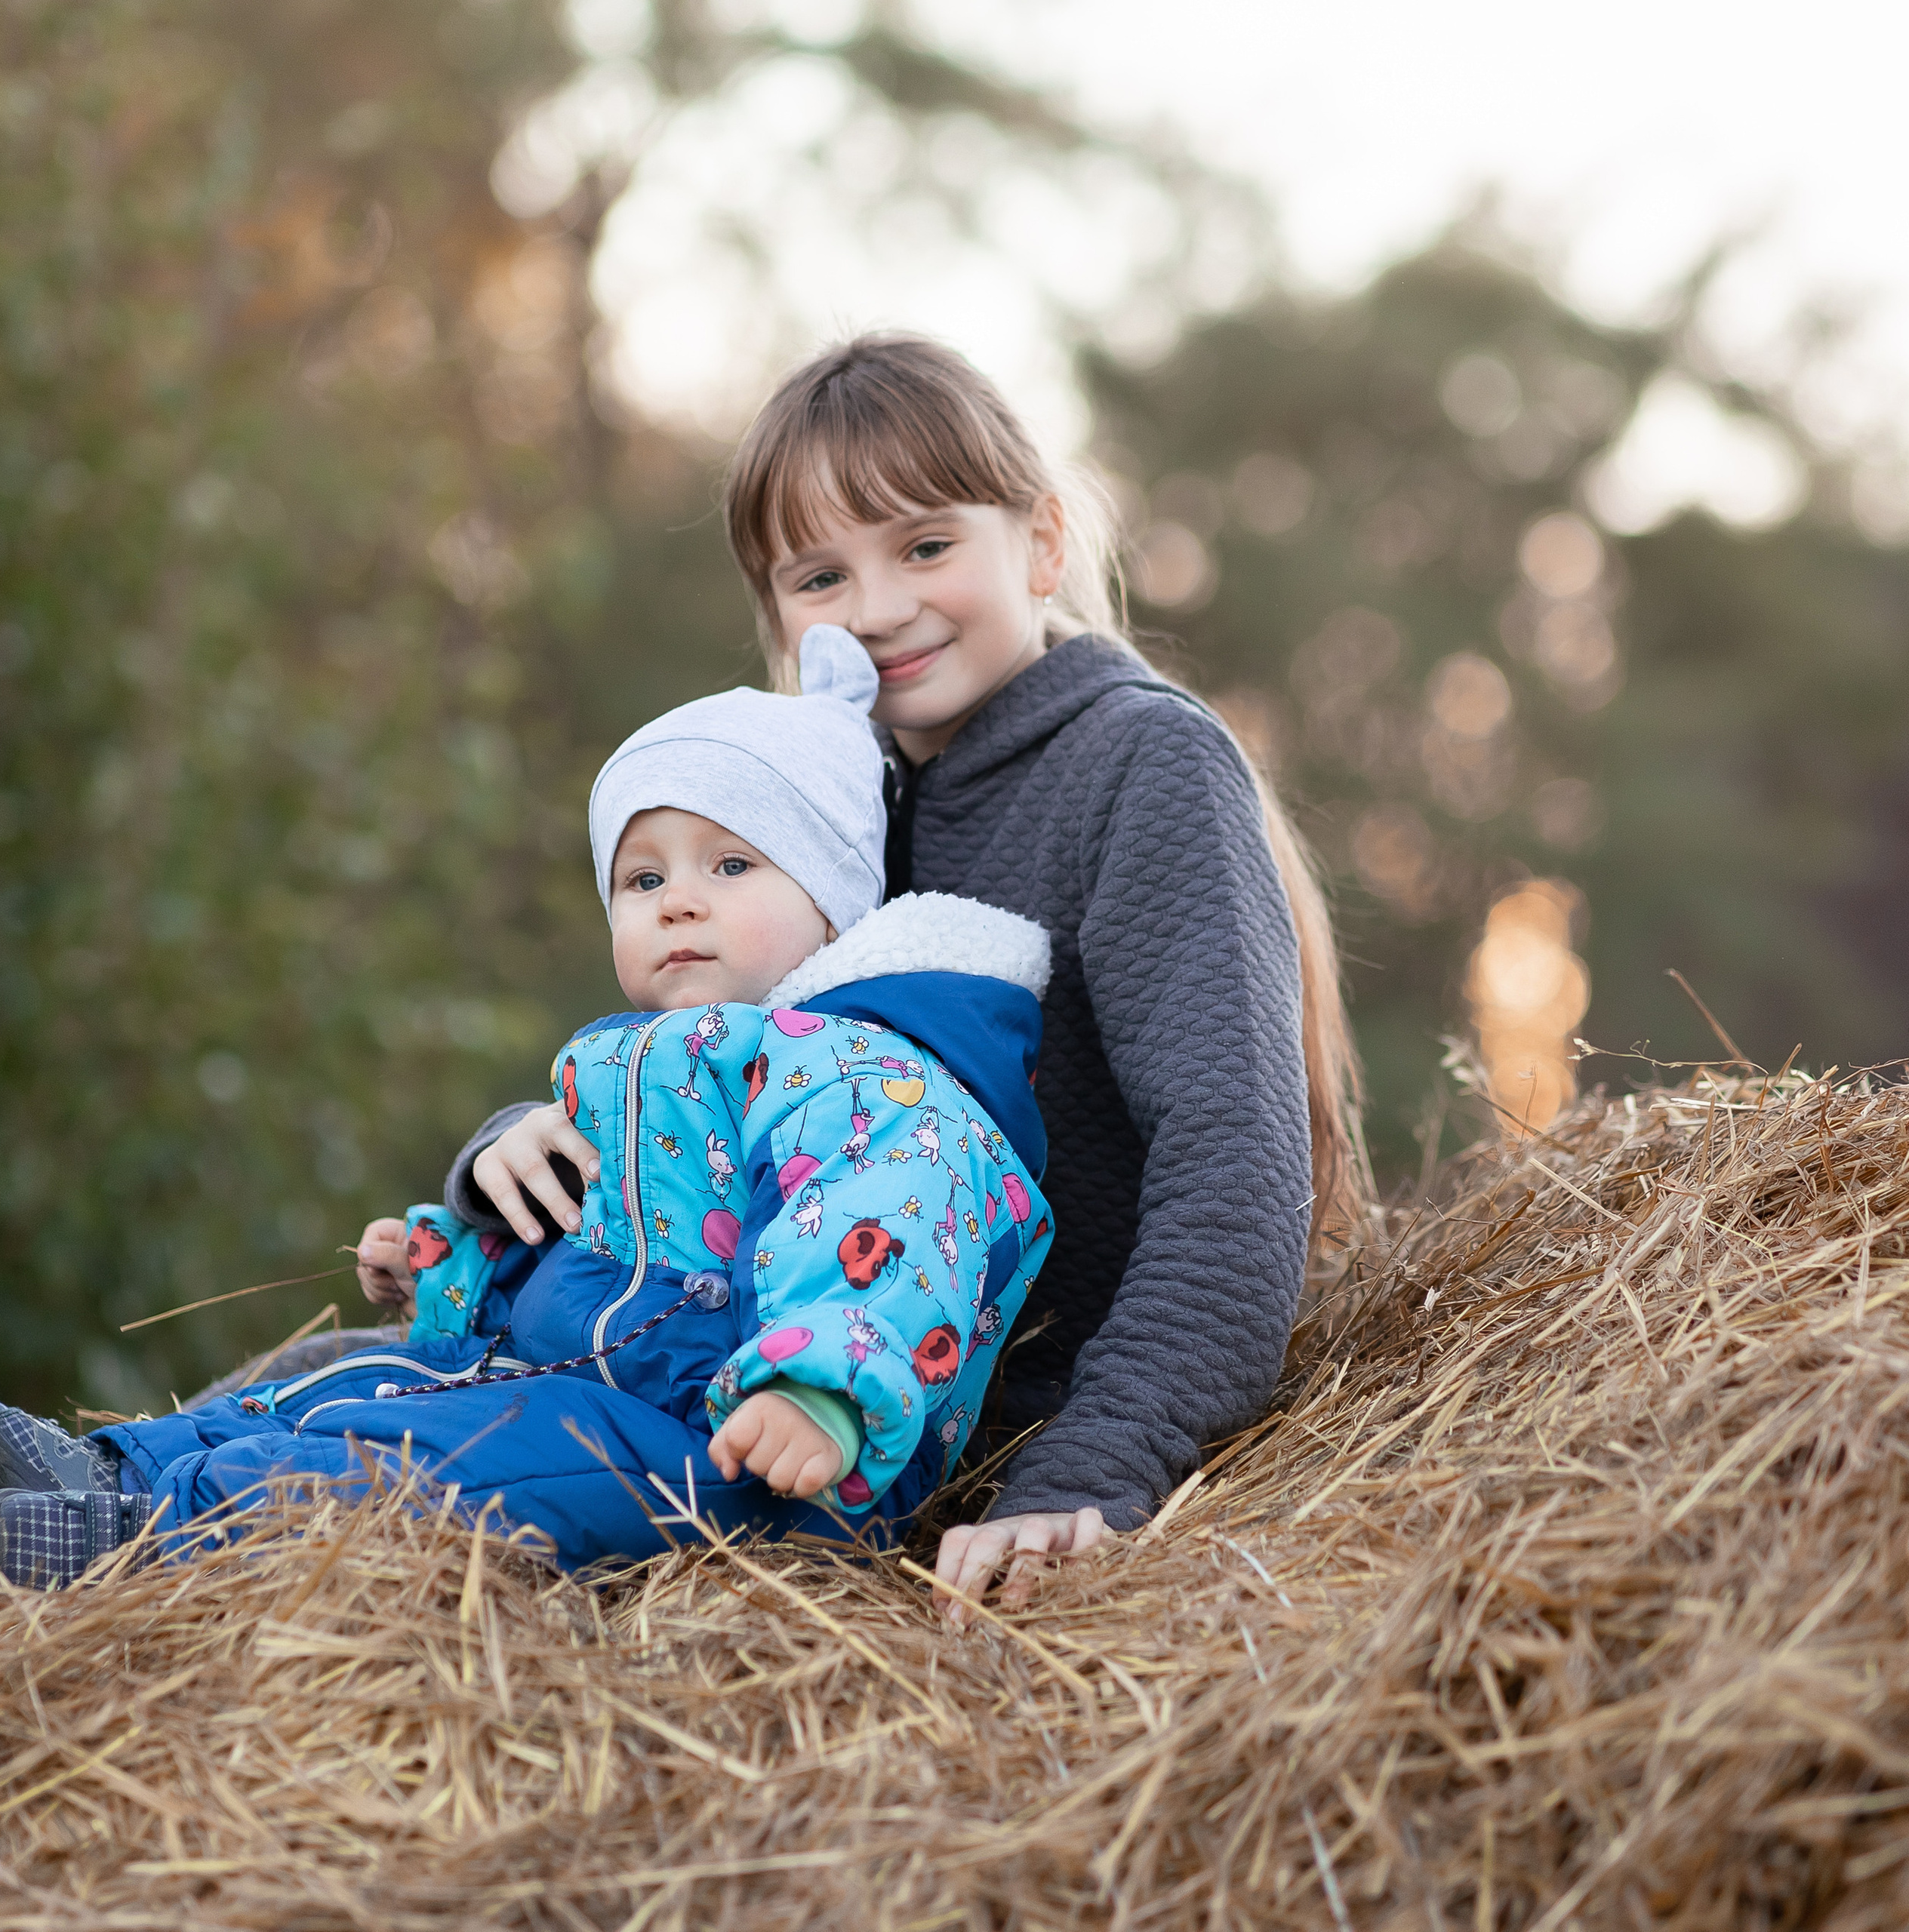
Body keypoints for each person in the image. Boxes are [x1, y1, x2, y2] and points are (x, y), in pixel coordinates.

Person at [422, 334, 1362, 1618]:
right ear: (778, 619)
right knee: (370, 1390)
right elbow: (744, 1099)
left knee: (448, 1469)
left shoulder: (1143, 768)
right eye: (821, 574)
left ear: (1040, 543)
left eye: (925, 546)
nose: (875, 607)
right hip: (767, 1376)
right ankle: (95, 1493)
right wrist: (521, 1152)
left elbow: (1232, 1164)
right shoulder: (829, 813)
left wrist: (1094, 1465)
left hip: (972, 1421)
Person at [0, 629, 1054, 1588]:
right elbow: (607, 1261)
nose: (678, 897)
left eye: (731, 864)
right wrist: (461, 1264)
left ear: (835, 900)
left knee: (436, 1463)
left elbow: (898, 1215)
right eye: (641, 879)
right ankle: (112, 1465)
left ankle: (138, 1537)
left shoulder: (871, 1076)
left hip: (751, 1459)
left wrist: (819, 1390)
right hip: (612, 1396)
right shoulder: (649, 1070)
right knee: (382, 1383)